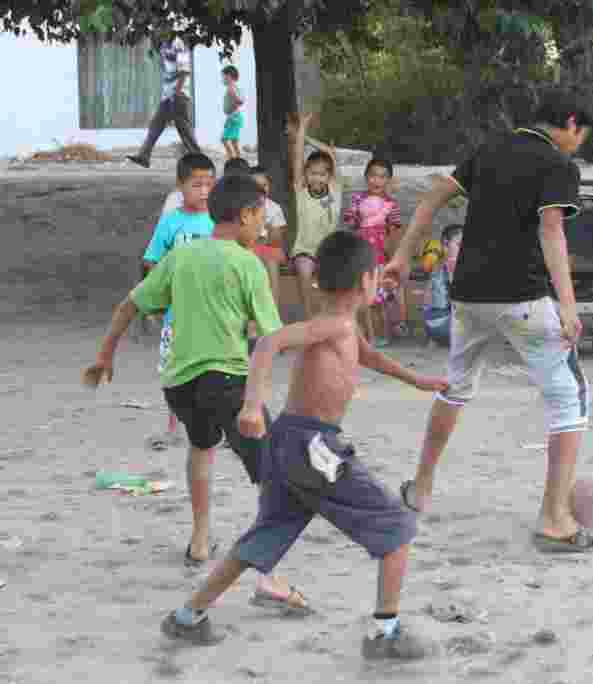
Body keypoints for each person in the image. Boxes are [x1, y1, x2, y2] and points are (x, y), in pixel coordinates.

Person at [157, 231, 447, 659]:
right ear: (364, 280)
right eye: (376, 275)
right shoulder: (334, 324)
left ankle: (188, 616)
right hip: (312, 445)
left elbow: (370, 357)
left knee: (265, 535)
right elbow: (269, 343)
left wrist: (418, 380)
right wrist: (251, 405)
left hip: (289, 444)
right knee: (396, 526)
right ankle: (385, 632)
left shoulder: (343, 326)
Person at [382, 88, 593, 553]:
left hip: (468, 296)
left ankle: (420, 489)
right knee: (569, 398)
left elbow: (432, 198)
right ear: (571, 123)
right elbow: (552, 229)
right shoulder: (558, 165)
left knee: (456, 387)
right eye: (581, 136)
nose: (578, 145)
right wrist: (568, 304)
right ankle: (554, 519)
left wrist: (402, 256)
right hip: (523, 297)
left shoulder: (490, 149)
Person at [85, 174, 308, 612]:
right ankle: (268, 577)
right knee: (273, 475)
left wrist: (105, 355)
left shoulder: (181, 256)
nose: (263, 226)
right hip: (227, 382)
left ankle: (200, 540)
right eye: (260, 218)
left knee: (202, 446)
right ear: (245, 216)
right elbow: (272, 337)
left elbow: (130, 305)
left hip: (179, 386)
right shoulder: (247, 264)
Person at [141, 153, 217, 446]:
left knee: (216, 371)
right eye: (197, 184)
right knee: (174, 372)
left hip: (215, 313)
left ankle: (218, 426)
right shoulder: (170, 223)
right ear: (180, 185)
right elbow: (152, 261)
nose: (204, 191)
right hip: (178, 315)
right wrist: (155, 301)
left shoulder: (220, 222)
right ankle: (173, 427)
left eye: (209, 184)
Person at [343, 158, 403, 347]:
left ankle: (383, 332)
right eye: (373, 176)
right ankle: (367, 336)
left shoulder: (391, 204)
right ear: (366, 177)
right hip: (360, 255)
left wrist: (393, 257)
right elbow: (351, 225)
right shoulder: (357, 199)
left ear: (388, 180)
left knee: (378, 299)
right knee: (361, 297)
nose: (377, 180)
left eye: (383, 177)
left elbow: (394, 232)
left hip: (380, 257)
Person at [287, 112, 341, 321]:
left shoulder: (334, 188)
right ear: (306, 174)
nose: (317, 178)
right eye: (312, 173)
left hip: (328, 250)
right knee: (304, 272)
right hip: (305, 249)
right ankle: (309, 318)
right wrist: (301, 131)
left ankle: (329, 317)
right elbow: (298, 157)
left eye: (321, 174)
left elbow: (330, 154)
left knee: (331, 283)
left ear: (329, 175)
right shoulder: (301, 189)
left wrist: (306, 134)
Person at [127, 38, 201, 170]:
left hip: (178, 95)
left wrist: (177, 92)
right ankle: (144, 156)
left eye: (158, 28)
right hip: (167, 96)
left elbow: (184, 71)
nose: (156, 31)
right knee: (156, 124)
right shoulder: (163, 45)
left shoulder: (178, 44)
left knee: (184, 130)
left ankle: (200, 160)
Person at [250, 164, 289, 307]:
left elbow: (277, 238)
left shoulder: (274, 208)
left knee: (272, 260)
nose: (260, 189)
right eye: (255, 186)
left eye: (264, 185)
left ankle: (274, 306)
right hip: (248, 247)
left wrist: (267, 238)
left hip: (268, 246)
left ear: (269, 186)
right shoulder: (242, 206)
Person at [422, 224, 462, 348]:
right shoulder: (452, 263)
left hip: (432, 328)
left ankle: (434, 339)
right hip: (448, 328)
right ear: (445, 243)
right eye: (459, 244)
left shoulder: (435, 262)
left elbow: (426, 303)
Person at [222, 65, 245, 160]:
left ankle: (232, 159)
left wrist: (232, 110)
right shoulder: (235, 87)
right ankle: (238, 159)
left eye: (223, 76)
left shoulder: (231, 88)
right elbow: (240, 100)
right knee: (234, 141)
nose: (222, 79)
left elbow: (240, 101)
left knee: (224, 139)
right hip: (235, 116)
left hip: (234, 117)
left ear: (229, 76)